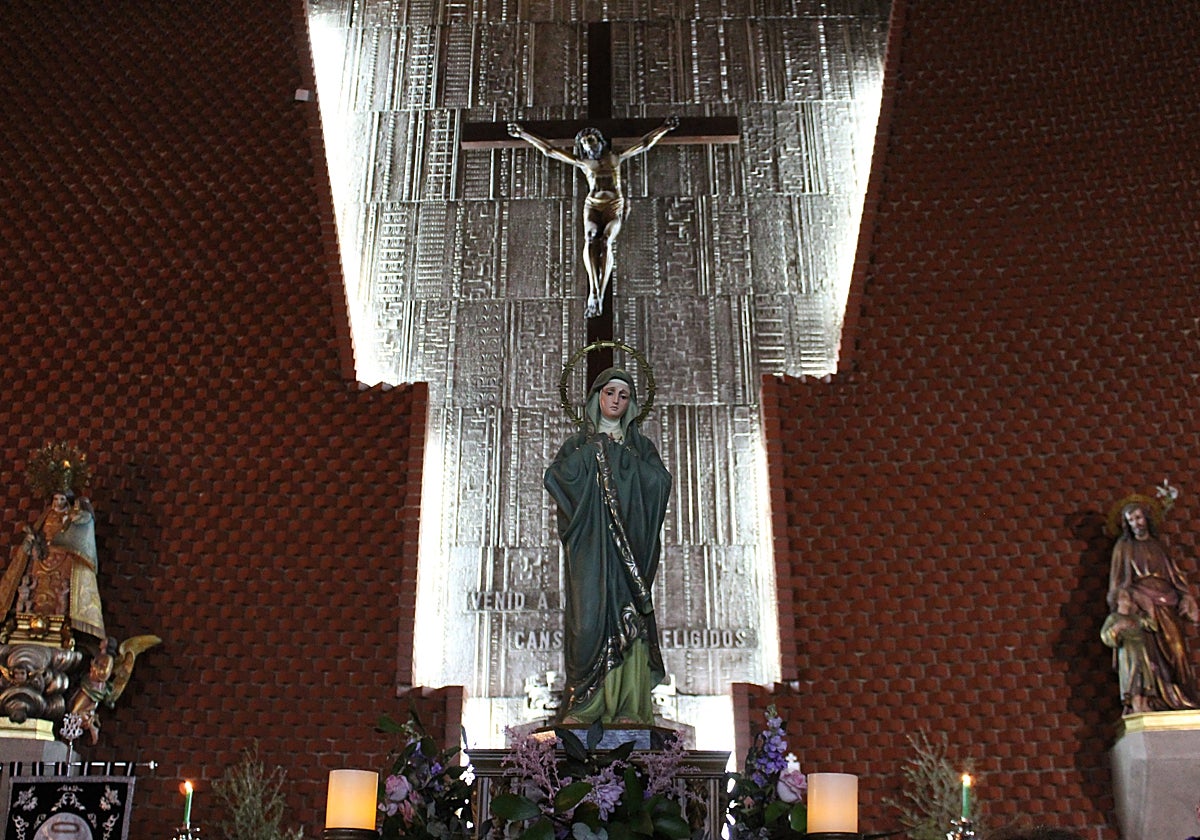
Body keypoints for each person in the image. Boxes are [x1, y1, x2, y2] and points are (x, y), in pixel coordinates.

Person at [544, 368, 671, 724]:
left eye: (623, 395)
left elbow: (660, 483)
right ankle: (584, 706)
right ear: (597, 397)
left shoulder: (641, 447)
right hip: (590, 549)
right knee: (586, 624)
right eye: (610, 393)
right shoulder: (578, 445)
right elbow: (556, 477)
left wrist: (621, 461)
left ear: (631, 404)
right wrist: (594, 455)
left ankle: (629, 706)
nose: (616, 401)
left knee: (629, 621)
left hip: (629, 552)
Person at [507, 117, 679, 318]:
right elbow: (549, 150)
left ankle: (600, 293)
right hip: (592, 206)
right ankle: (593, 291)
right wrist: (523, 134)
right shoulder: (583, 163)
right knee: (590, 239)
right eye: (584, 143)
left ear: (600, 141)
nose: (589, 145)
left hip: (614, 205)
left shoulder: (615, 158)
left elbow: (645, 143)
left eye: (591, 140)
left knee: (606, 241)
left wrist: (664, 128)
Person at [1105, 501, 1200, 711]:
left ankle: (1181, 698)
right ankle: (1152, 700)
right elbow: (1117, 583)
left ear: (1147, 518)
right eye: (1131, 520)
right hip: (1141, 606)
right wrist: (1127, 603)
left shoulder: (1159, 545)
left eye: (1138, 518)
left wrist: (1186, 596)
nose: (1136, 523)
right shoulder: (1124, 547)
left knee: (1177, 652)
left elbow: (1175, 575)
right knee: (1147, 656)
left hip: (1167, 603)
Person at [0, 489, 106, 644]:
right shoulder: (46, 516)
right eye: (55, 499)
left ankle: (60, 619)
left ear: (68, 500)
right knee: (35, 588)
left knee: (60, 591)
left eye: (62, 499)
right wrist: (32, 540)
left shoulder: (74, 516)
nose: (58, 503)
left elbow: (79, 535)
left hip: (63, 559)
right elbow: (38, 535)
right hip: (42, 557)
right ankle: (28, 615)